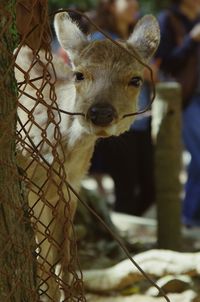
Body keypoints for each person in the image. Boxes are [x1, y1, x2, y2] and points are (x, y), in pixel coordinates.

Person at [89, 0, 156, 216]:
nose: (134, 4)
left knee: (150, 188)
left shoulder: (134, 41)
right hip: (114, 123)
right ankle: (120, 237)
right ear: (109, 5)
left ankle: (123, 227)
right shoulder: (100, 39)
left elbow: (152, 73)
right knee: (126, 188)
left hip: (141, 120)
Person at [156, 0, 200, 226]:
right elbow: (165, 63)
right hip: (186, 99)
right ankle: (189, 216)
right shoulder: (168, 20)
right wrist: (192, 40)